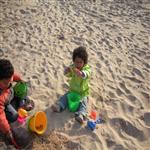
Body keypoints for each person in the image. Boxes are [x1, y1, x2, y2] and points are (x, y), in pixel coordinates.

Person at [52, 46, 91, 124]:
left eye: (80, 62)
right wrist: (66, 71)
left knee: (84, 103)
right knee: (65, 97)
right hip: (73, 90)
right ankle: (59, 106)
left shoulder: (86, 69)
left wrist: (81, 73)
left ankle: (81, 115)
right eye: (76, 62)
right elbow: (68, 74)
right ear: (73, 61)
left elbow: (87, 74)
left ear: (84, 62)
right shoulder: (73, 67)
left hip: (82, 93)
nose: (78, 64)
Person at [0, 59, 34, 148]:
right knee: (14, 116)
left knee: (23, 94)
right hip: (5, 104)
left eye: (10, 81)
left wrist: (20, 80)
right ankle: (18, 107)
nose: (8, 84)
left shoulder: (7, 75)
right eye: (5, 83)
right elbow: (1, 117)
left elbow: (13, 76)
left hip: (11, 95)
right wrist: (8, 132)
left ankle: (21, 105)